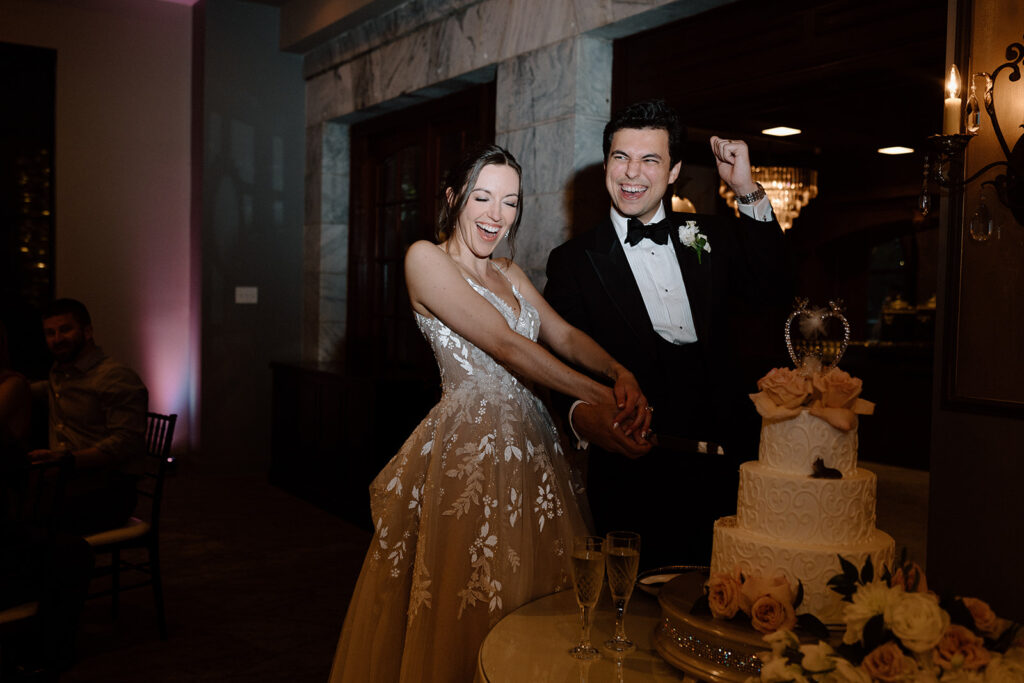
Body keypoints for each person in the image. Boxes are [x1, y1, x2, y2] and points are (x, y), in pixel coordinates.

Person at [329, 144, 650, 682]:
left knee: (535, 594)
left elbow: (564, 336)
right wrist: (600, 397)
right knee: (471, 597)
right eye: (482, 197)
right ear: (454, 198)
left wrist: (620, 371)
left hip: (533, 450)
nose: (495, 215)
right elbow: (507, 345)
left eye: (509, 202)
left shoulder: (510, 271)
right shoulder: (424, 259)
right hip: (469, 453)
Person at [544, 99, 791, 569]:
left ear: (674, 170)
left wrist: (746, 190)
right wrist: (581, 418)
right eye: (621, 157)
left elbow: (774, 287)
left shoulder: (711, 235)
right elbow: (563, 360)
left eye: (650, 159)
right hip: (632, 478)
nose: (632, 173)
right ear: (606, 166)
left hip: (728, 472)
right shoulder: (573, 261)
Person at [29, 298, 148, 536]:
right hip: (69, 480)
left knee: (32, 520)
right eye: (50, 333)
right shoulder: (60, 374)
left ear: (87, 331)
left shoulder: (115, 377)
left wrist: (67, 460)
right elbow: (41, 390)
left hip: (110, 489)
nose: (57, 339)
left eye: (65, 329)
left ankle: (67, 569)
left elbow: (126, 443)